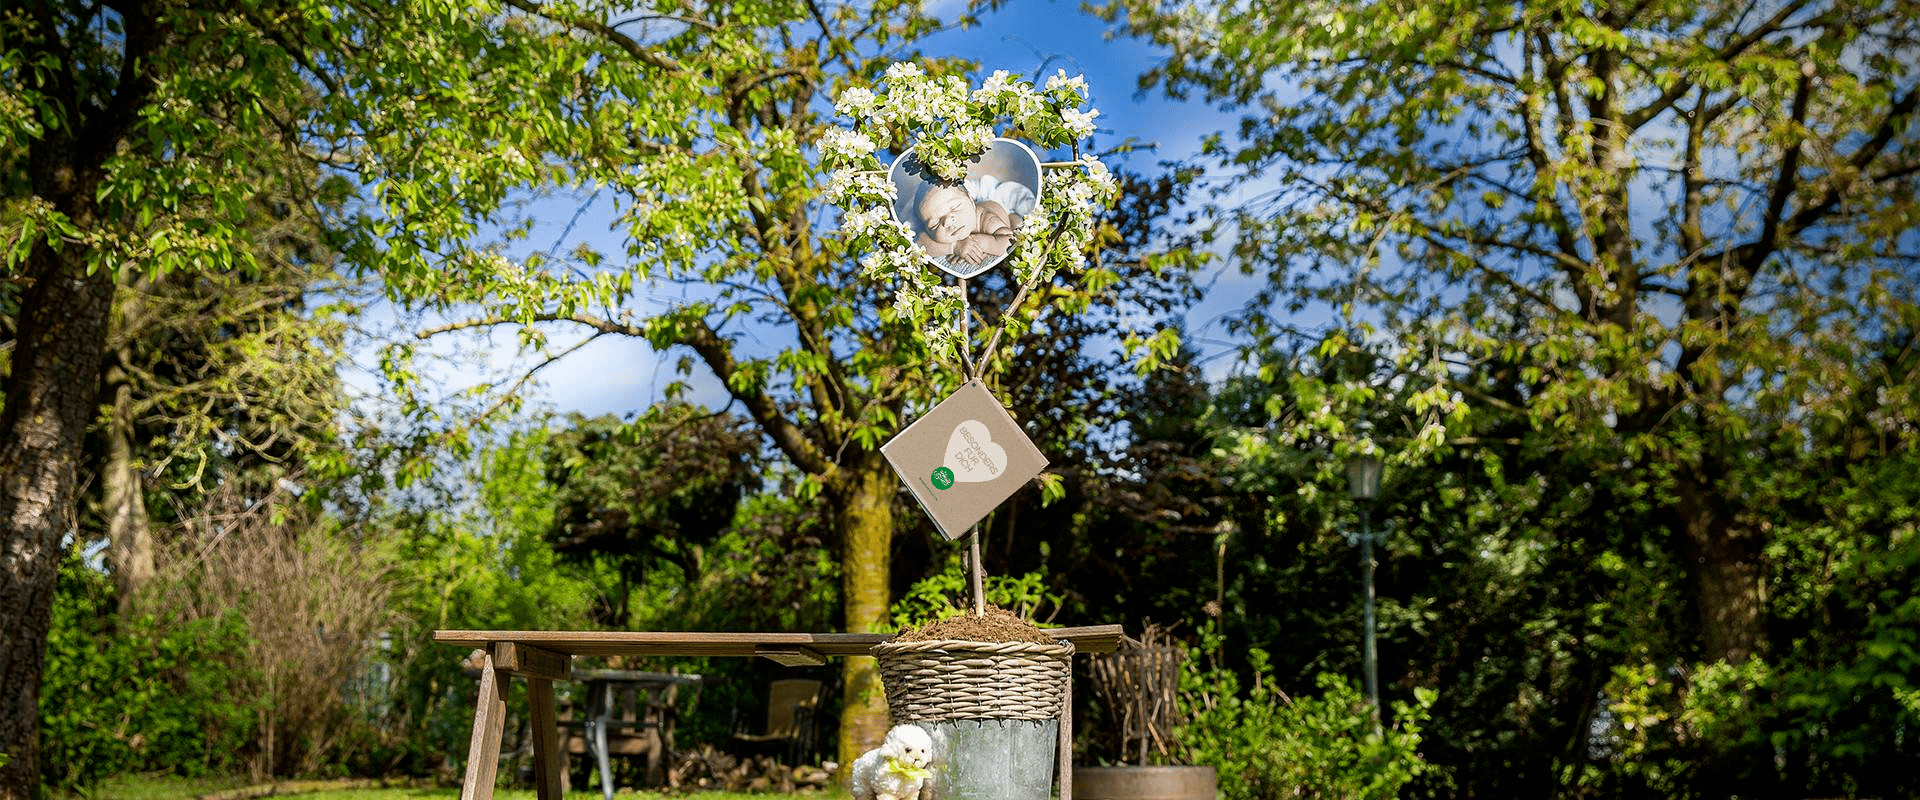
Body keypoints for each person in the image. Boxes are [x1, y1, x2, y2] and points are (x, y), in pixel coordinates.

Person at [914, 183, 1018, 267]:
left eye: (955, 207)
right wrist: (954, 247)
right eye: (935, 224)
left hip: (1004, 207)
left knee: (1017, 224)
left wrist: (976, 243)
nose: (947, 221)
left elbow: (1009, 241)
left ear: (971, 201)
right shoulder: (932, 234)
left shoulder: (986, 218)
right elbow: (920, 244)